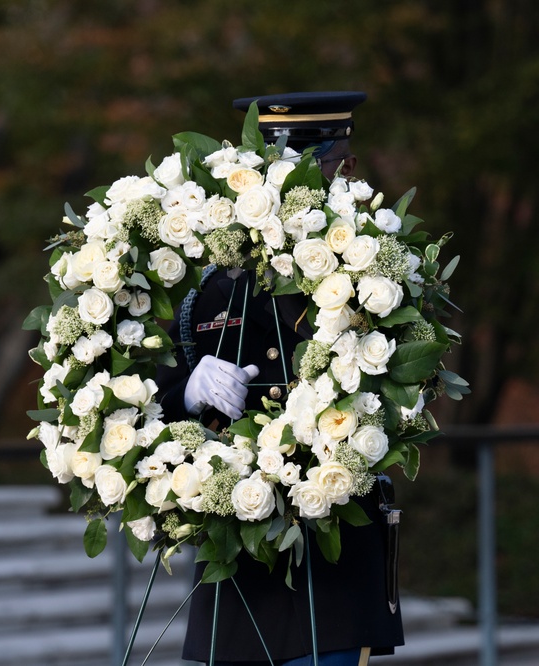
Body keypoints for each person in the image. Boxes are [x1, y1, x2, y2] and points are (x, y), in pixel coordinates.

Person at [156, 92, 404, 666]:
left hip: (333, 559)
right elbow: (157, 396)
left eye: (318, 162)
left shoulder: (375, 272)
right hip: (238, 554)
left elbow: (398, 396)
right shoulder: (209, 284)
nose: (300, 179)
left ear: (347, 167)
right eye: (282, 163)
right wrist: (188, 391)